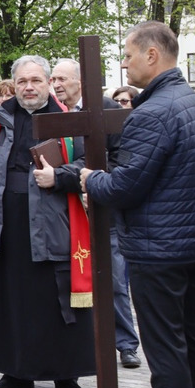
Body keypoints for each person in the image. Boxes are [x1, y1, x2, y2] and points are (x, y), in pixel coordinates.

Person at [83, 21, 195, 388]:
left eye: (127, 54)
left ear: (151, 55)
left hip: (158, 246)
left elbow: (126, 185)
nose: (123, 63)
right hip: (193, 242)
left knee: (166, 346)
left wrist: (88, 179)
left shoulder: (152, 112)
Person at [0, 56, 95, 388]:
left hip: (54, 224)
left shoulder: (68, 121)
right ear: (14, 85)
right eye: (23, 82)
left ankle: (65, 375)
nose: (29, 87)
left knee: (56, 304)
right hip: (4, 228)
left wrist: (60, 176)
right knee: (10, 302)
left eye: (36, 81)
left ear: (48, 83)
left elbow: (92, 164)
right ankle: (14, 372)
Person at [49, 58, 141, 368]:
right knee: (70, 280)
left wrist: (97, 186)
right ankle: (81, 342)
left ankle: (126, 343)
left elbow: (122, 160)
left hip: (105, 213)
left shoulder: (108, 110)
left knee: (113, 281)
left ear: (81, 80)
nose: (56, 84)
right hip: (66, 213)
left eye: (62, 78)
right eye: (54, 79)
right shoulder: (54, 115)